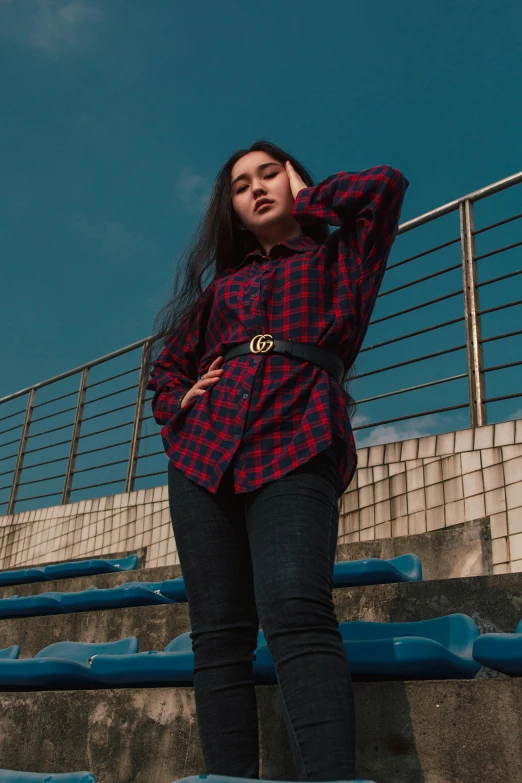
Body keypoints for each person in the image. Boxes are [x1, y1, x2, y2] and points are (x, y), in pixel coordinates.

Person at [146, 140, 409, 781]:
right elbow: (165, 370)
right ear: (230, 211)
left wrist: (309, 197)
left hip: (298, 435)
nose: (257, 188)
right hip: (205, 454)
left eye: (270, 175)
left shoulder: (341, 255)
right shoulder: (221, 292)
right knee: (218, 636)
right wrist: (180, 401)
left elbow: (385, 186)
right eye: (242, 186)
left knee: (296, 609)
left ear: (294, 179)